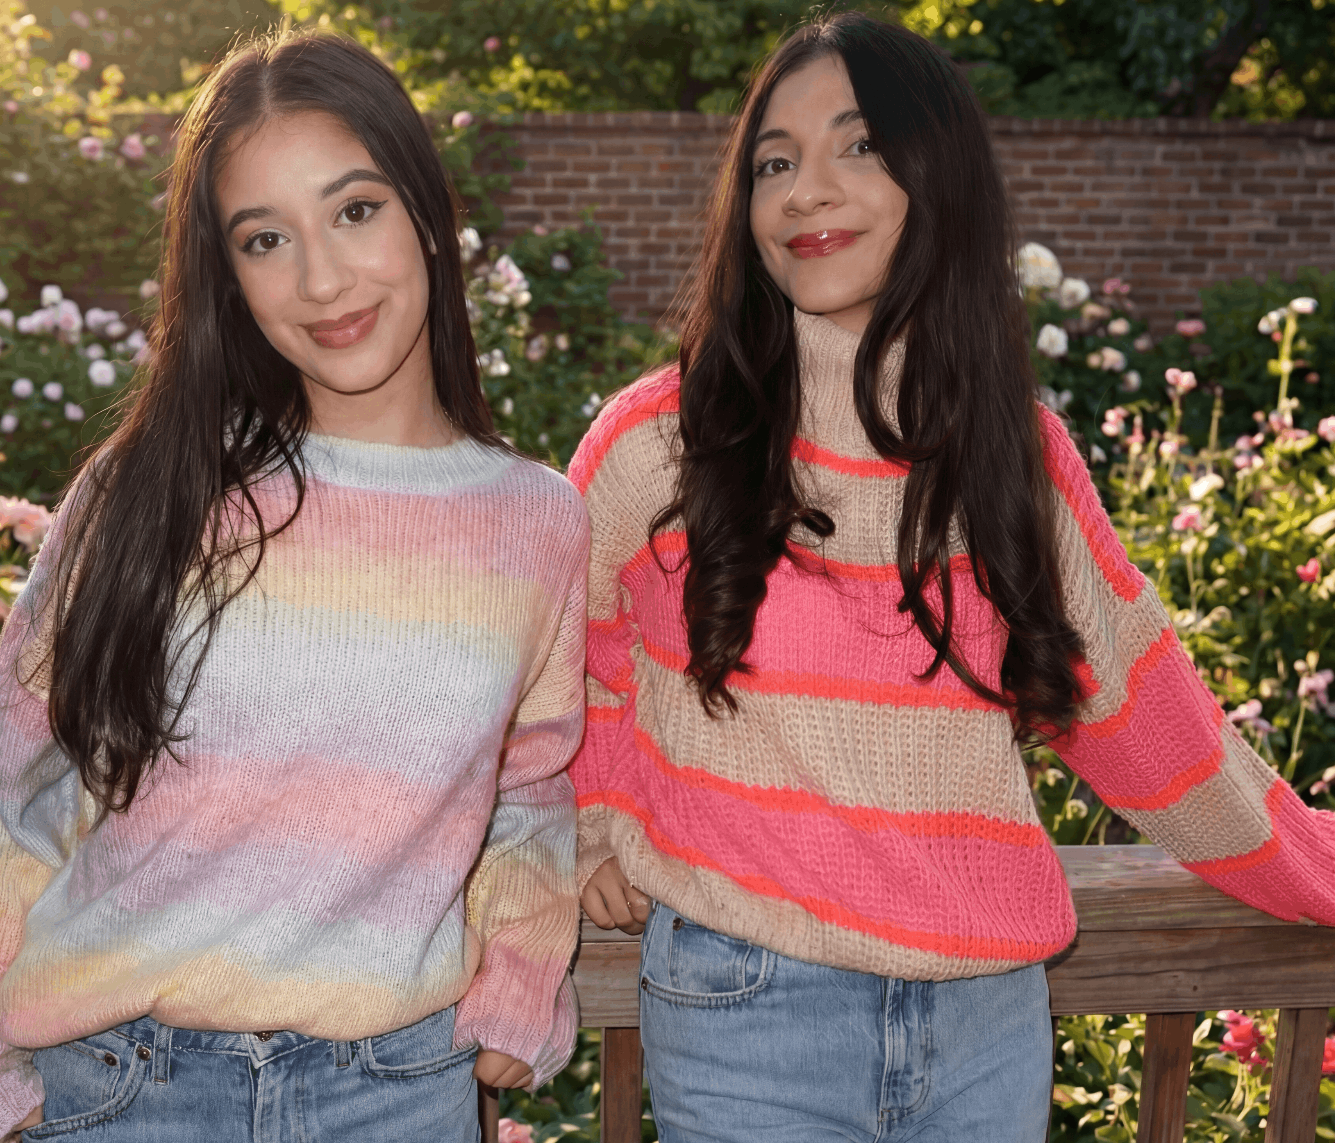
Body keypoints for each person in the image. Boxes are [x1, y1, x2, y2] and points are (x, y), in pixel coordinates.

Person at [569, 12, 1335, 1142]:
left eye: (858, 145)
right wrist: (592, 821)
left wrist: (1319, 873)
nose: (804, 191)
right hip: (747, 1013)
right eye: (773, 162)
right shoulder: (657, 442)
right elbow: (559, 654)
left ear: (938, 177)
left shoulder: (1011, 453)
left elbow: (1144, 715)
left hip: (987, 1027)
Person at [0, 31, 587, 1143]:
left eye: (354, 210)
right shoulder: (150, 491)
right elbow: (6, 786)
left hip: (398, 1096)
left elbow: (531, 783)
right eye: (266, 238)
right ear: (228, 273)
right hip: (125, 1093)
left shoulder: (536, 521)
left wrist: (518, 973)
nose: (322, 279)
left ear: (425, 212)